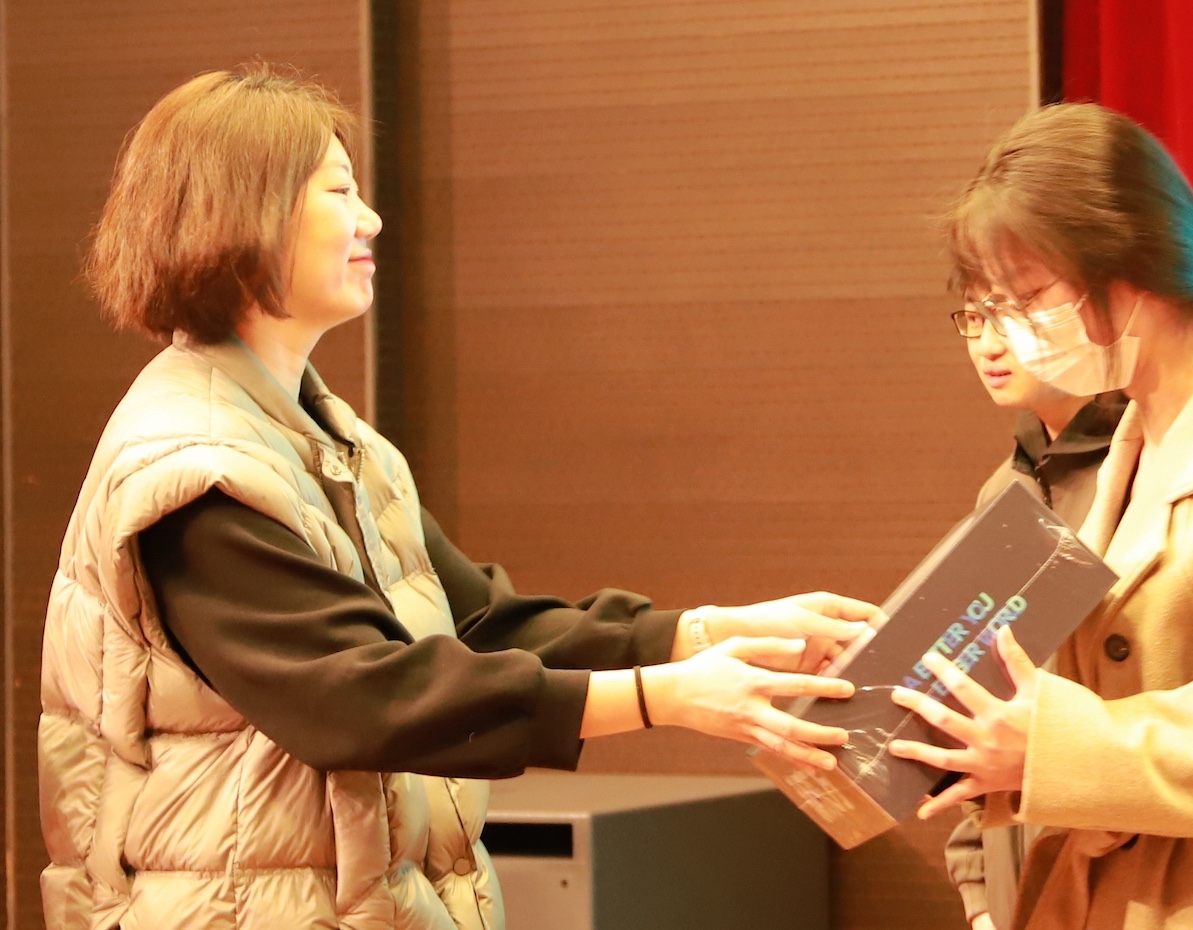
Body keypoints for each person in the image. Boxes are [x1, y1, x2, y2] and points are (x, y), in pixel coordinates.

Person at [37, 66, 882, 930]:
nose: (371, 219)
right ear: (243, 215)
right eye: (340, 190)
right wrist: (661, 697)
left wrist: (708, 632)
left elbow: (475, 623)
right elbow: (363, 694)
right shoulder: (194, 469)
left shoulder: (336, 440)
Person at [889, 102, 1193, 929]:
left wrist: (1055, 747)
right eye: (988, 306)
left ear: (1129, 272)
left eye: (1029, 298)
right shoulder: (1137, 442)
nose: (1012, 334)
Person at [942, 304, 1125, 930]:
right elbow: (977, 690)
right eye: (973, 318)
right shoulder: (1003, 490)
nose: (987, 345)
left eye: (1009, 314)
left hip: (1120, 875)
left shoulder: (1144, 472)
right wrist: (979, 891)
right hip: (1016, 886)